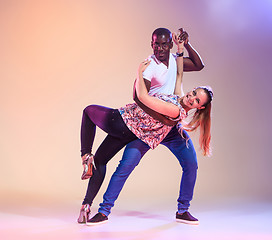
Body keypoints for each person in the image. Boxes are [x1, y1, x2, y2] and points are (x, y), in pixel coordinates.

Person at [78, 30, 212, 226]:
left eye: (165, 45)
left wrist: (186, 45)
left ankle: (183, 210)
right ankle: (104, 211)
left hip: (170, 126)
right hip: (147, 128)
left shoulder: (175, 63)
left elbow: (198, 65)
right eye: (157, 44)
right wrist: (164, 118)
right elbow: (139, 98)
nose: (160, 49)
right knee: (126, 165)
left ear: (171, 46)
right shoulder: (151, 67)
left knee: (191, 163)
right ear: (152, 44)